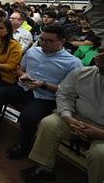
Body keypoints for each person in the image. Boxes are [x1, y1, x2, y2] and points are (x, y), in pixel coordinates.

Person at [0, 25, 82, 157]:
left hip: (46, 97)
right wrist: (22, 75)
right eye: (42, 39)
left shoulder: (73, 63)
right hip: (24, 88)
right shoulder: (33, 52)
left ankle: (23, 145)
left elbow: (69, 91)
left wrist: (43, 85)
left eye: (49, 41)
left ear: (62, 41)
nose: (43, 43)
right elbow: (19, 70)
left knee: (28, 116)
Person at [20, 54, 104, 183]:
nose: (98, 56)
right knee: (49, 124)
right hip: (77, 117)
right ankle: (45, 167)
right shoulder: (83, 72)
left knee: (100, 153)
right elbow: (64, 94)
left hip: (101, 130)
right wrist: (67, 117)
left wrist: (101, 134)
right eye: (101, 50)